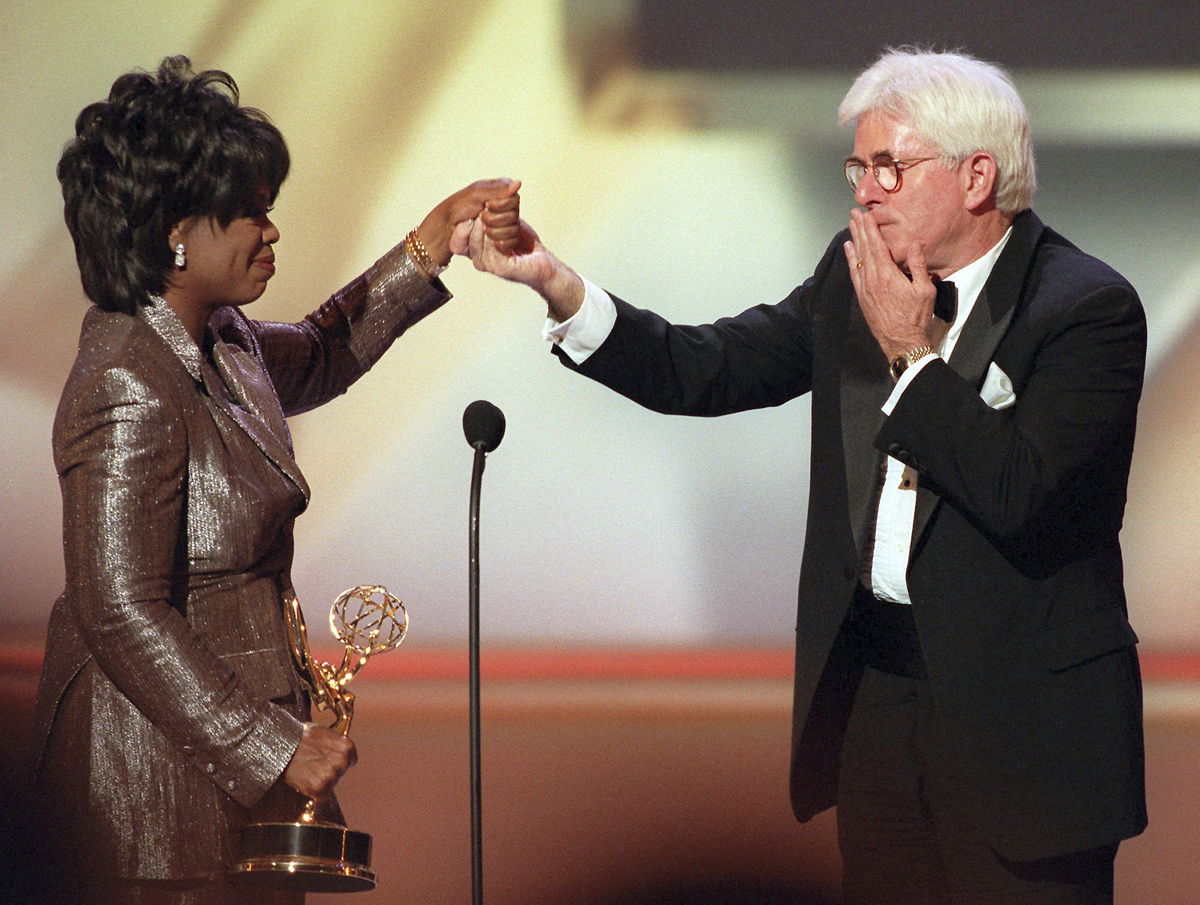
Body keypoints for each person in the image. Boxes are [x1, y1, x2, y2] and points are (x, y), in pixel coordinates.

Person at [462, 48, 1147, 905]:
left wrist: (910, 352)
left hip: (1022, 732)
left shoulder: (1087, 310)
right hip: (879, 706)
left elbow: (1022, 494)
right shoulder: (852, 275)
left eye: (889, 167)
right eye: (857, 166)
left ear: (978, 177)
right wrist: (559, 288)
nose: (862, 190)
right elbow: (702, 369)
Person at [29, 55, 520, 904]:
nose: (272, 230)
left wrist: (433, 240)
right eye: (251, 212)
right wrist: (270, 744)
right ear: (174, 233)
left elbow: (327, 349)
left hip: (231, 778)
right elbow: (117, 605)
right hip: (150, 811)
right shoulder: (124, 379)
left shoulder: (222, 338)